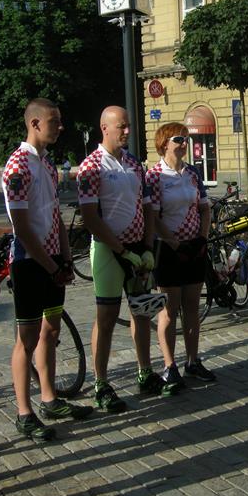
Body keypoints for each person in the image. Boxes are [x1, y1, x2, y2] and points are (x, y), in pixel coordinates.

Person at [2, 98, 93, 444]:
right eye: (54, 121)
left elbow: (54, 214)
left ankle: (50, 398)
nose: (60, 126)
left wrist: (67, 258)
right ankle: (24, 413)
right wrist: (51, 263)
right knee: (26, 339)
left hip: (54, 258)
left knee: (50, 331)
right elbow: (22, 227)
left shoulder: (47, 164)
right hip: (29, 262)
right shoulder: (17, 166)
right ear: (35, 124)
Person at [77, 105, 170, 413]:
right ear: (105, 128)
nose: (128, 131)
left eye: (129, 125)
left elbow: (146, 207)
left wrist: (146, 247)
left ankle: (145, 371)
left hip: (135, 248)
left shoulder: (133, 163)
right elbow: (90, 218)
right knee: (105, 318)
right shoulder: (91, 165)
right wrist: (121, 250)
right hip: (107, 250)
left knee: (142, 312)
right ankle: (101, 383)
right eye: (122, 126)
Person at [145, 122, 216, 391]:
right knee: (169, 311)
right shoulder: (154, 175)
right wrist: (172, 240)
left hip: (194, 247)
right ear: (164, 143)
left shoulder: (193, 173)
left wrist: (202, 237)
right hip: (168, 249)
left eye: (187, 138)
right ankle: (169, 366)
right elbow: (152, 214)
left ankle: (193, 361)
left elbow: (204, 209)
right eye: (178, 138)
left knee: (191, 308)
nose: (184, 142)